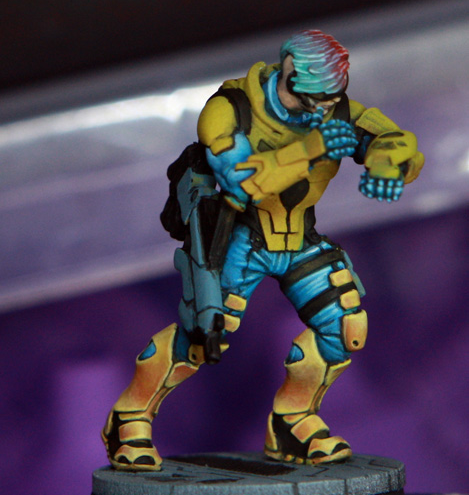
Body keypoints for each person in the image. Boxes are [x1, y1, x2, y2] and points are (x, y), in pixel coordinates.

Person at [102, 29, 424, 471]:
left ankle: (294, 420)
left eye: (331, 100)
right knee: (202, 336)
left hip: (299, 240)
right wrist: (312, 148)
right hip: (239, 239)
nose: (323, 111)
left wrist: (387, 164)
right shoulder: (229, 110)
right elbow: (243, 181)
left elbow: (396, 140)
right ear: (290, 76)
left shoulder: (334, 108)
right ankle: (129, 418)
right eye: (315, 100)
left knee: (344, 325)